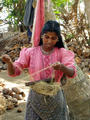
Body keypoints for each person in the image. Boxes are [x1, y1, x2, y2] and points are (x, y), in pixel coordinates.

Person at [2, 20, 76, 120]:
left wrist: (62, 67)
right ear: (42, 36)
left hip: (55, 98)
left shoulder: (62, 53)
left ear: (58, 39)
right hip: (35, 99)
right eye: (47, 37)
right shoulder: (31, 52)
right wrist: (10, 63)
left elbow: (72, 72)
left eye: (53, 38)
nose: (49, 41)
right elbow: (14, 72)